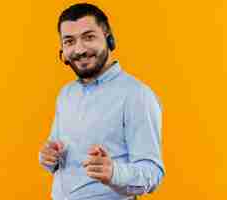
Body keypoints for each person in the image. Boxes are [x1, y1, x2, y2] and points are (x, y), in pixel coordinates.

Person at [39, 3, 165, 200]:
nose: (79, 49)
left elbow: (153, 173)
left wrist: (114, 173)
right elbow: (58, 155)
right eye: (69, 41)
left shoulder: (136, 95)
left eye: (89, 37)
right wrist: (48, 158)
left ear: (109, 38)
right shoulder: (66, 94)